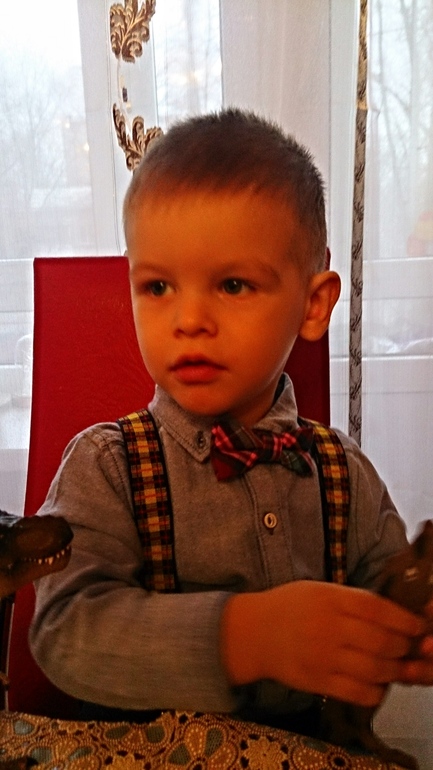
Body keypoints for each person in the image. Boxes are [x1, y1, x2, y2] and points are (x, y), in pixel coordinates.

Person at [30, 109, 433, 730]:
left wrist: (408, 619)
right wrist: (244, 636)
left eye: (234, 285)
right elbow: (65, 632)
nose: (189, 320)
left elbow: (381, 604)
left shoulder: (343, 474)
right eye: (158, 287)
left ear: (314, 304)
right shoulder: (106, 466)